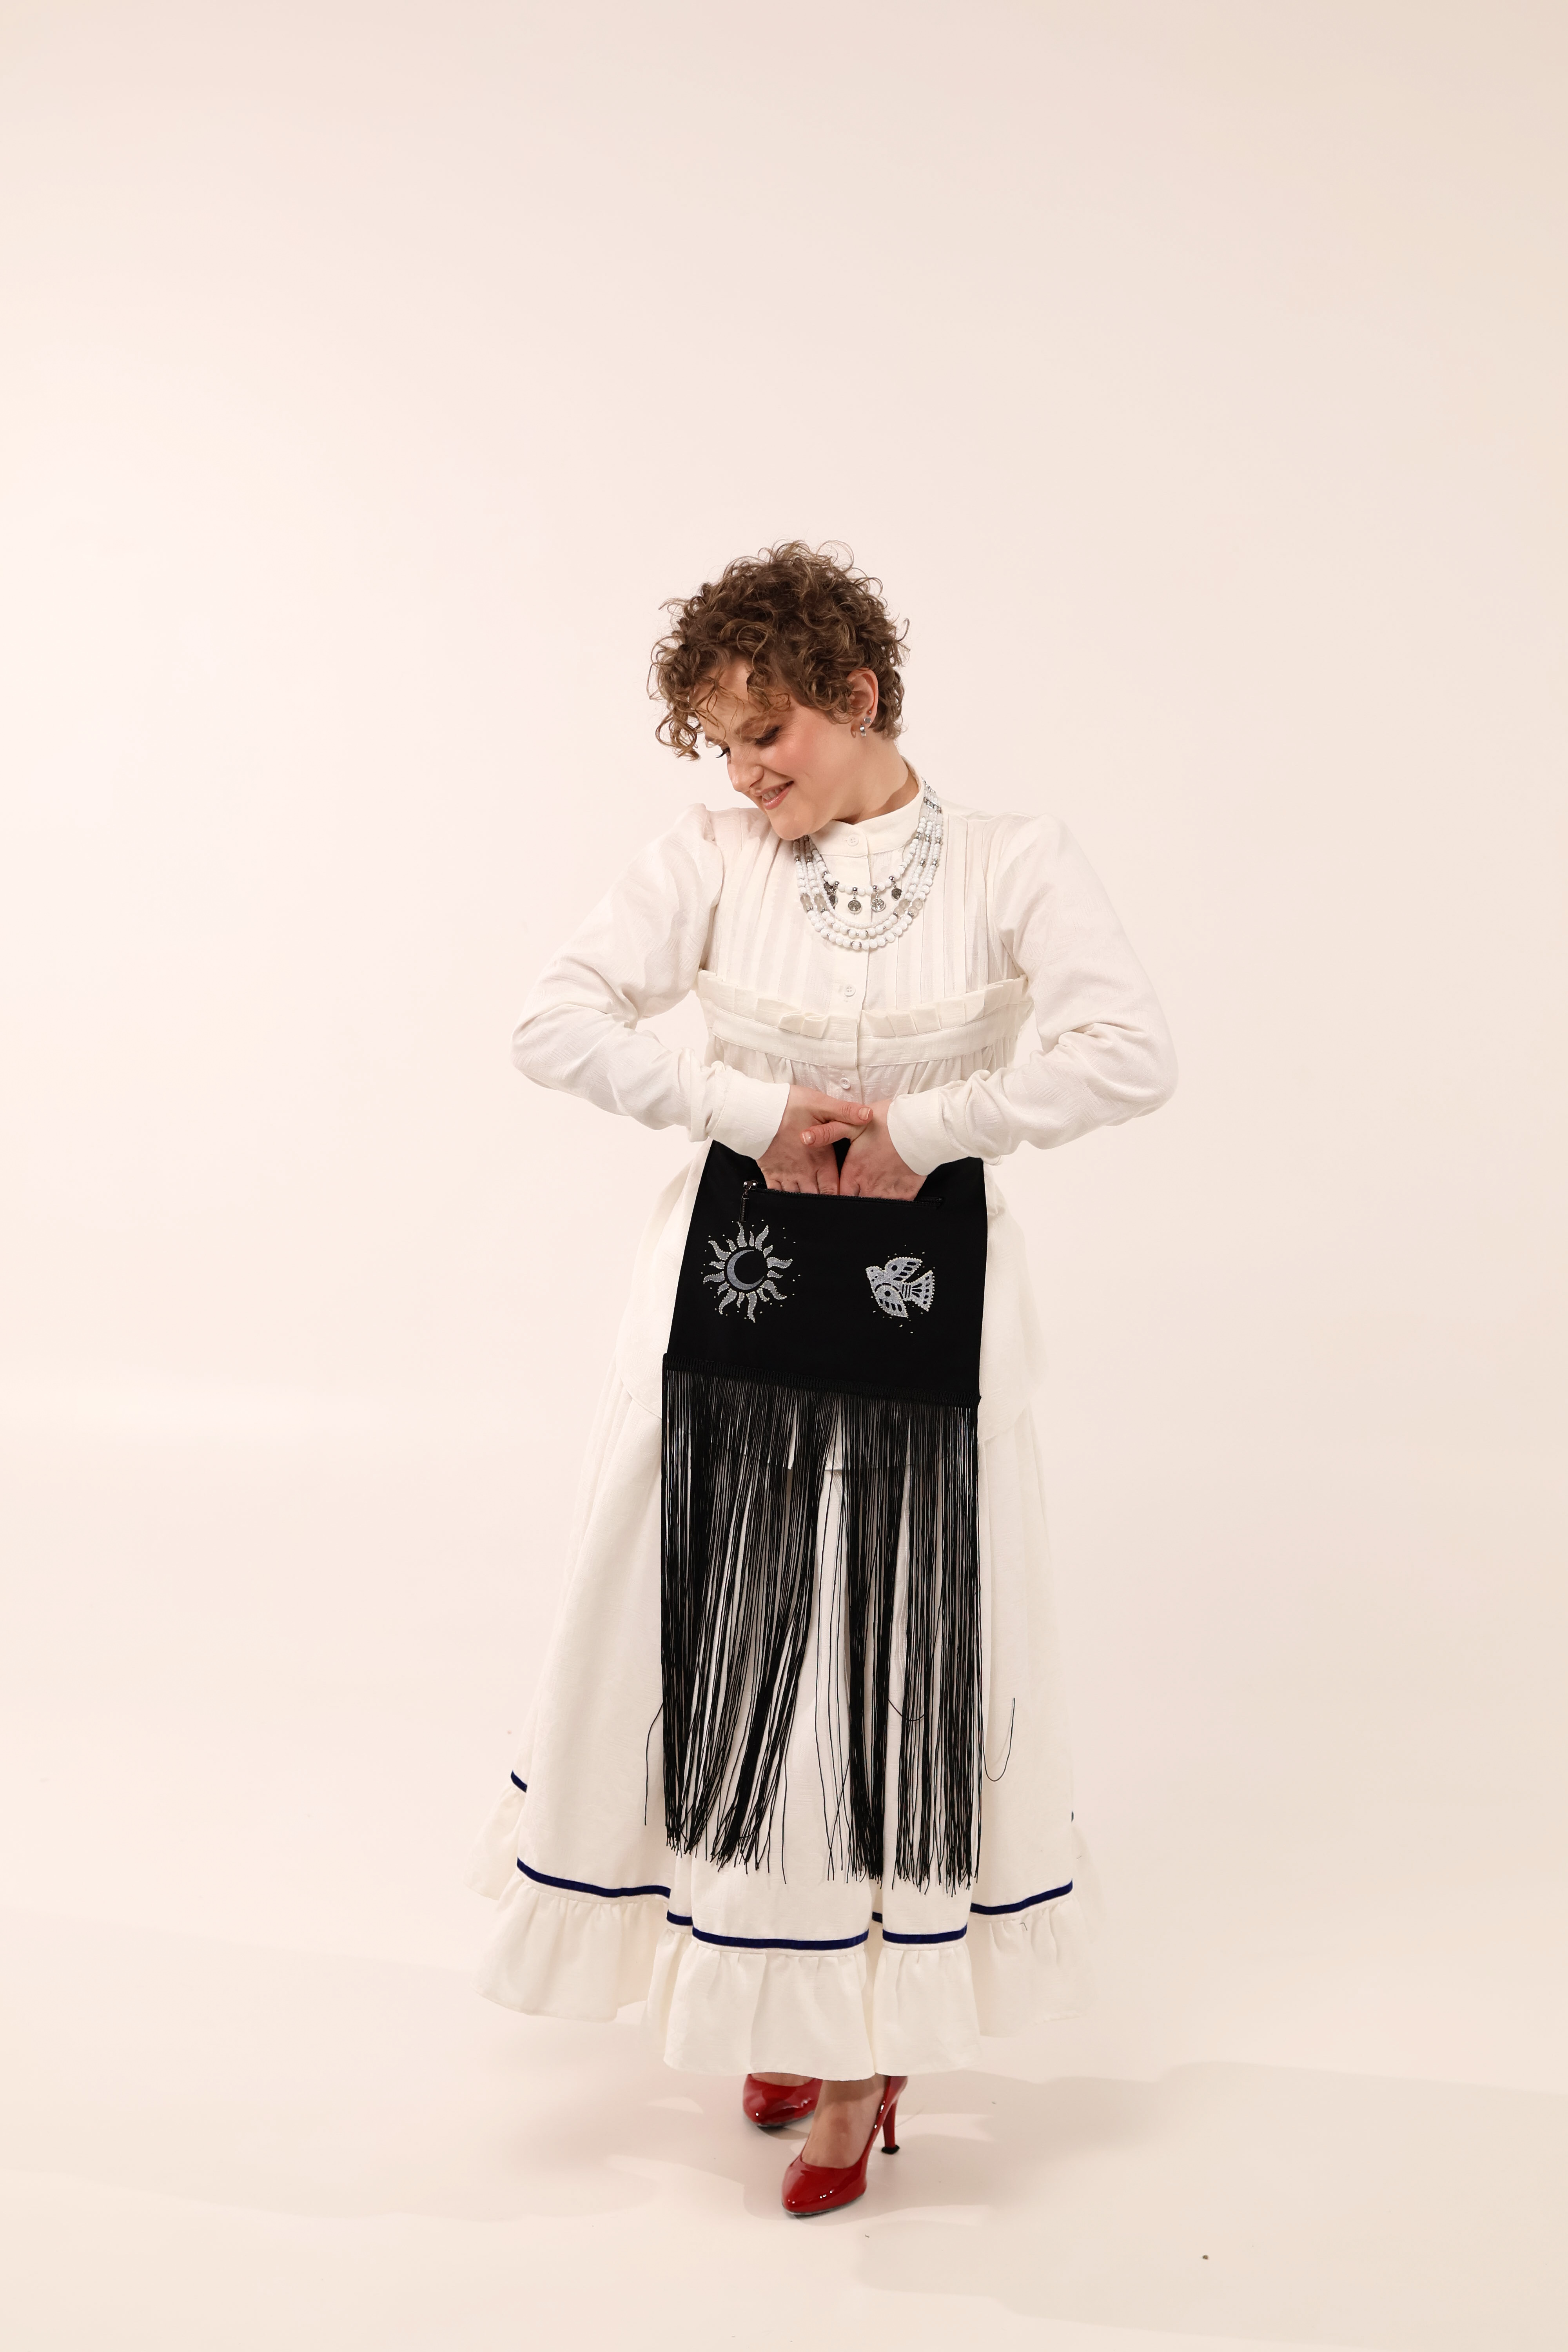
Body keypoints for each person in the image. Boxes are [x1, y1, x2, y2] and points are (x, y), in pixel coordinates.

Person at [470, 543, 1176, 2215]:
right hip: (725, 1306)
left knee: (886, 1662)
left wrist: (928, 1130)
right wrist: (750, 1112)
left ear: (857, 697)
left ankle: (866, 2057)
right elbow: (552, 1019)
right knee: (730, 1652)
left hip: (928, 1321)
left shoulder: (1012, 860)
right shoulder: (708, 857)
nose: (745, 773)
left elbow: (1128, 1053)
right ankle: (769, 1993)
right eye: (722, 743)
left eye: (767, 732)